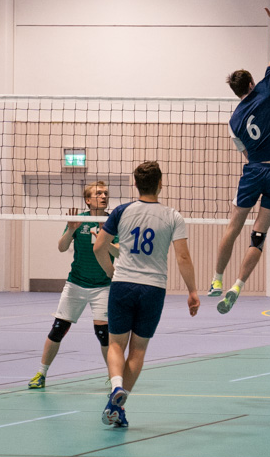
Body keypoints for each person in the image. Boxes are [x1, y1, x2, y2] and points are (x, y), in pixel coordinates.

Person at [92, 161, 200, 428]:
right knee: (138, 350)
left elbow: (99, 247)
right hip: (153, 288)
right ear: (160, 184)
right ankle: (117, 405)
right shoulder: (173, 216)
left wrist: (111, 271)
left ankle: (116, 387)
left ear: (135, 184)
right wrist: (192, 291)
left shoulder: (121, 211)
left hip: (123, 284)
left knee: (116, 345)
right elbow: (183, 257)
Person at [211, 0, 270, 315]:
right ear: (253, 83)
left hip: (254, 171)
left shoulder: (234, 121)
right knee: (258, 234)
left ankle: (217, 280)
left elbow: (245, 155)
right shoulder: (267, 91)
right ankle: (238, 285)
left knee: (234, 225)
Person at [29, 181, 116, 389]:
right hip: (76, 283)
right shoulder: (79, 220)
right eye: (98, 193)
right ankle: (41, 374)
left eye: (105, 193)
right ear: (88, 200)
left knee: (103, 334)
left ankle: (114, 379)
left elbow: (118, 252)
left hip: (103, 286)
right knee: (58, 329)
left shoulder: (113, 222)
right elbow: (62, 247)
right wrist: (70, 230)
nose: (103, 196)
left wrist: (105, 240)